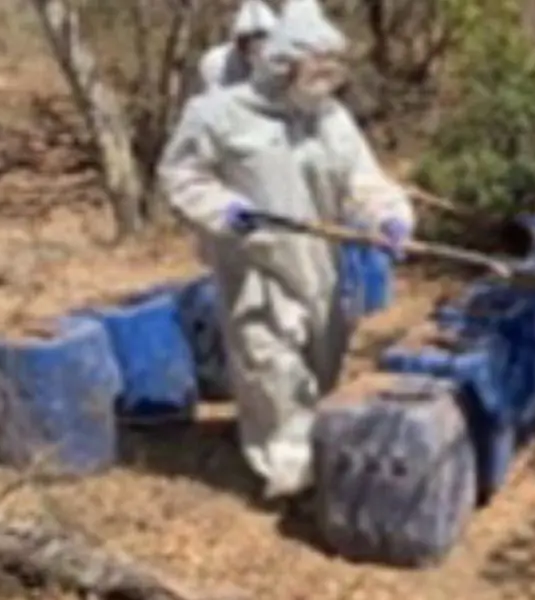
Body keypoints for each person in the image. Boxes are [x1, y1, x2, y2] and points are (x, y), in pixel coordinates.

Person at [159, 0, 415, 499]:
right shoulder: (217, 115)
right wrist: (225, 210)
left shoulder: (330, 118)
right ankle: (286, 474)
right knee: (270, 368)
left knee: (321, 363)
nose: (329, 79)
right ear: (283, 64)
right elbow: (181, 174)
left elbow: (362, 178)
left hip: (321, 263)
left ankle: (313, 451)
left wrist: (388, 214)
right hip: (254, 263)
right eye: (318, 67)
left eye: (334, 69)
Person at [198, 0, 277, 91]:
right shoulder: (218, 62)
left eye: (262, 37)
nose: (256, 45)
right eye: (248, 39)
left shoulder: (274, 63)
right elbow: (217, 97)